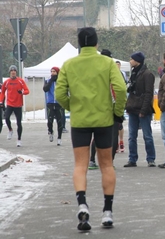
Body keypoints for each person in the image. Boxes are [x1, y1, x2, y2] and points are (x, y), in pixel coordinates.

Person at [55, 27, 126, 230]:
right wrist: (117, 111)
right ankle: (107, 212)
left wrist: (73, 107)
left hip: (80, 122)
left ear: (79, 44)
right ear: (96, 43)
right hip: (104, 120)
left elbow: (60, 94)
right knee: (106, 165)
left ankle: (82, 204)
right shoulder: (107, 62)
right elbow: (120, 89)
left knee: (80, 165)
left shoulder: (69, 64)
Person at [123, 51, 157, 168]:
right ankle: (132, 159)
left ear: (137, 61)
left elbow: (149, 94)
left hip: (143, 109)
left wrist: (144, 109)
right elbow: (131, 92)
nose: (130, 61)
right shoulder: (133, 73)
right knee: (132, 136)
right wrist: (128, 106)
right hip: (133, 108)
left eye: (132, 59)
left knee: (147, 135)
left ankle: (151, 159)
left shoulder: (148, 74)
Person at [0, 65, 30, 147]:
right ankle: (10, 130)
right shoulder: (7, 82)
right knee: (6, 118)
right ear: (9, 72)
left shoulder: (20, 81)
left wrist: (22, 92)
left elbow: (27, 91)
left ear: (16, 72)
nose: (13, 73)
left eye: (14, 71)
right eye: (11, 71)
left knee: (19, 123)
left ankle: (19, 140)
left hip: (18, 105)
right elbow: (2, 92)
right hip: (10, 104)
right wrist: (1, 101)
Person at [43, 66, 63, 146]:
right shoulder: (48, 80)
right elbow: (45, 89)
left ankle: (59, 138)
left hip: (59, 103)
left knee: (59, 121)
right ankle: (50, 132)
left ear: (57, 72)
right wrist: (51, 80)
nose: (52, 73)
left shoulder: (61, 81)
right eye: (51, 71)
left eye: (54, 71)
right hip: (50, 103)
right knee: (50, 120)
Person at [115, 59, 128, 152]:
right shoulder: (110, 74)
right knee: (114, 125)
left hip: (119, 102)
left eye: (118, 65)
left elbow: (124, 88)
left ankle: (121, 141)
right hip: (112, 102)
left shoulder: (122, 74)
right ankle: (115, 143)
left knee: (119, 124)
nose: (117, 67)